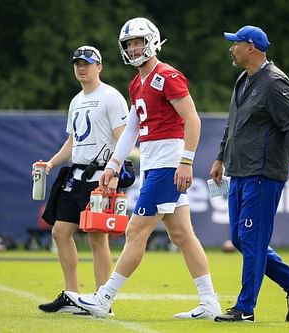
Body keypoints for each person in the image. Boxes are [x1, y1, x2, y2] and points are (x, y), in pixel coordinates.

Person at [64, 17, 222, 320]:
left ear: (152, 41)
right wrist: (113, 165)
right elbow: (134, 128)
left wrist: (186, 161)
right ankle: (209, 302)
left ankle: (104, 297)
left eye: (138, 42)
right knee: (183, 236)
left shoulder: (168, 75)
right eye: (129, 44)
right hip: (154, 164)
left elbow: (193, 120)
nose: (134, 48)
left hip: (167, 164)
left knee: (135, 231)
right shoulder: (137, 83)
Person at [209, 25, 289, 323]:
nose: (231, 48)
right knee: (241, 239)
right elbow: (234, 125)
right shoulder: (244, 79)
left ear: (252, 47)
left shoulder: (275, 82)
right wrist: (220, 158)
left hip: (263, 172)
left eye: (236, 44)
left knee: (251, 239)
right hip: (239, 170)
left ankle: (245, 308)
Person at [36, 45, 128, 314]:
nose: (81, 67)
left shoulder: (111, 96)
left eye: (87, 63)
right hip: (75, 176)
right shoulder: (76, 100)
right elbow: (73, 141)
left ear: (99, 66)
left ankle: (102, 300)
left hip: (100, 177)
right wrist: (52, 163)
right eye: (77, 63)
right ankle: (72, 295)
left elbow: (123, 137)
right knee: (60, 232)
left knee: (97, 238)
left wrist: (114, 171)